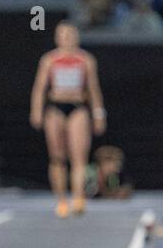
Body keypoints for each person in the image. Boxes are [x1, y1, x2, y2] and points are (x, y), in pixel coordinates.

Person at [30, 21, 106, 217]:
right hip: (55, 108)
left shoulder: (86, 60)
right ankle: (61, 200)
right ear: (57, 38)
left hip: (77, 107)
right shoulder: (49, 60)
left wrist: (99, 114)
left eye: (70, 35)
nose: (66, 39)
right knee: (57, 157)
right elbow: (40, 88)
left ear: (76, 37)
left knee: (78, 156)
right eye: (62, 35)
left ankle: (78, 197)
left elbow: (93, 88)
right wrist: (36, 110)